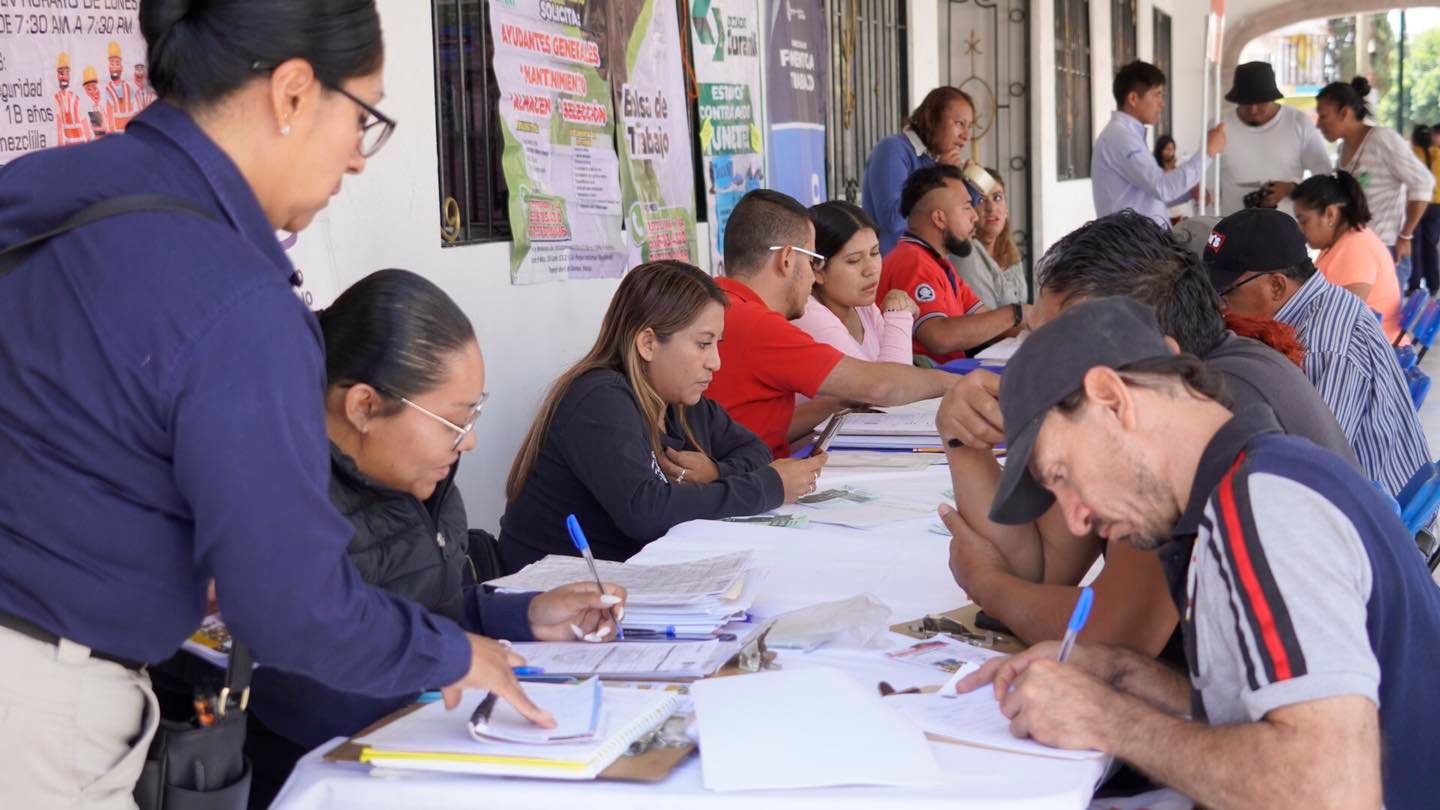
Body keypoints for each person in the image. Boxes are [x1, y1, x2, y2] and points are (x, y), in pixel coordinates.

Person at [0, 3, 541, 804]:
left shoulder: (40, 188)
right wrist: (456, 652)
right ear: (292, 94)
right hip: (38, 708)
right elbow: (291, 609)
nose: (357, 161)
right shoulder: (238, 299)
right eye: (362, 120)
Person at [952, 296, 1440, 809]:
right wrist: (1122, 675)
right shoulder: (1246, 486)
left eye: (1062, 476)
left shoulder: (1266, 506)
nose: (1076, 517)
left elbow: (1330, 790)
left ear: (1111, 400)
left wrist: (1107, 717)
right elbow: (1268, 712)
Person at [244, 269, 627, 806]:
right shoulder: (274, 493)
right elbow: (294, 685)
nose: (468, 441)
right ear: (363, 407)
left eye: (473, 414)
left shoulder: (423, 475)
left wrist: (527, 616)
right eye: (454, 420)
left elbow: (429, 612)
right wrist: (446, 659)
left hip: (426, 758)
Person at [932, 212, 1356, 658]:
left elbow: (1113, 637)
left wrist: (986, 583)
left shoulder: (1212, 418)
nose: (1043, 365)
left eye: (1062, 346)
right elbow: (1044, 570)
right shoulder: (1172, 395)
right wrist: (964, 440)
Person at [499, 261, 825, 570]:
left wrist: (716, 472)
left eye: (716, 345)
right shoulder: (599, 398)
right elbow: (646, 512)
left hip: (628, 579)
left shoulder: (679, 402)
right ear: (648, 343)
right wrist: (769, 486)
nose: (715, 362)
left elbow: (755, 451)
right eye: (702, 344)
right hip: (551, 596)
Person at [707, 189, 958, 457]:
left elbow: (756, 427)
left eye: (874, 254)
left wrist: (836, 403)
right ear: (787, 260)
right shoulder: (758, 324)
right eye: (813, 260)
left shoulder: (716, 304)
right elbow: (879, 386)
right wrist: (955, 383)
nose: (813, 275)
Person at [1204, 207, 1430, 500]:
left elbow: (1314, 468)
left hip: (1375, 514)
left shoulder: (1323, 348)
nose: (1221, 307)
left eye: (1225, 293)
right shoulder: (1321, 302)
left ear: (1276, 286)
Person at [878, 165, 1029, 365]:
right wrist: (1016, 313)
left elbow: (987, 321)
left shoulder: (938, 262)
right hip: (925, 390)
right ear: (939, 218)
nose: (975, 216)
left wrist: (1043, 325)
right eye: (967, 206)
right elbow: (939, 337)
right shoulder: (912, 262)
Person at [1092, 61, 1226, 228]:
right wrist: (1208, 152)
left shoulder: (1127, 135)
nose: (1162, 103)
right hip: (1133, 249)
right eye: (1157, 94)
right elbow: (1163, 188)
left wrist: (1188, 193)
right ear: (1133, 98)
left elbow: (1147, 198)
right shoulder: (1120, 137)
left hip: (1140, 244)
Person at [1315, 77, 1434, 260]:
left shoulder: (1382, 139)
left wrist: (1405, 235)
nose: (1318, 124)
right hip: (1354, 247)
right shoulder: (1342, 149)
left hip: (1384, 249)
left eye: (1323, 116)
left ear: (1344, 113)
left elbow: (1423, 182)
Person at [793, 200, 919, 362]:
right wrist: (898, 314)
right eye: (854, 260)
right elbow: (894, 384)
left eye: (874, 253)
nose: (870, 270)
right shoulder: (808, 315)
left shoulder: (860, 304)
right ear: (817, 269)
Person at [1290, 171, 1404, 340]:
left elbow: (1339, 320)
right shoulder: (1342, 241)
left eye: (1304, 220)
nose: (1299, 229)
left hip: (1370, 354)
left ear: (1330, 214)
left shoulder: (1356, 248)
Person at [862, 86, 977, 254]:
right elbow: (893, 222)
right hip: (893, 268)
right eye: (959, 124)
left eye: (969, 127)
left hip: (926, 264)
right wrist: (937, 174)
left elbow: (961, 224)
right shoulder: (893, 149)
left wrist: (970, 186)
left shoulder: (934, 162)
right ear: (933, 118)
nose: (966, 136)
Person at [1217, 61, 1332, 216]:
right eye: (1245, 103)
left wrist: (1291, 188)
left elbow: (1324, 175)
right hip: (1234, 227)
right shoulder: (1220, 126)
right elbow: (1206, 180)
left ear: (1273, 98)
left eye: (1260, 103)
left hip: (1287, 228)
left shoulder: (1299, 123)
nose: (1253, 110)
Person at [955, 167, 1029, 309]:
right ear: (967, 209)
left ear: (1006, 209)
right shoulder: (966, 253)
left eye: (997, 197)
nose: (991, 208)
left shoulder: (1009, 251)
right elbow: (985, 322)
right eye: (981, 199)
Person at [1409, 123, 1440, 295]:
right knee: (1431, 245)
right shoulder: (1438, 154)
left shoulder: (1411, 155)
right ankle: (1433, 284)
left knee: (1415, 245)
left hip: (1416, 204)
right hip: (1436, 206)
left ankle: (1414, 284)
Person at [53, 51, 94, 145]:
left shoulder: (76, 100)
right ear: (57, 76)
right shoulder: (57, 99)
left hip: (81, 146)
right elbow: (59, 127)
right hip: (68, 147)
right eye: (61, 73)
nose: (64, 77)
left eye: (66, 73)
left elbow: (85, 126)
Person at [102, 40, 140, 134]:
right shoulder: (107, 90)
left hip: (129, 134)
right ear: (109, 67)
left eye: (117, 63)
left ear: (122, 67)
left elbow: (134, 110)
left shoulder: (128, 88)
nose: (114, 67)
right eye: (112, 64)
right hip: (114, 136)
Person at [81, 65, 107, 138]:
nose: (93, 92)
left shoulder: (99, 106)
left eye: (95, 88)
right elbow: (100, 134)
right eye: (89, 89)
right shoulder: (91, 108)